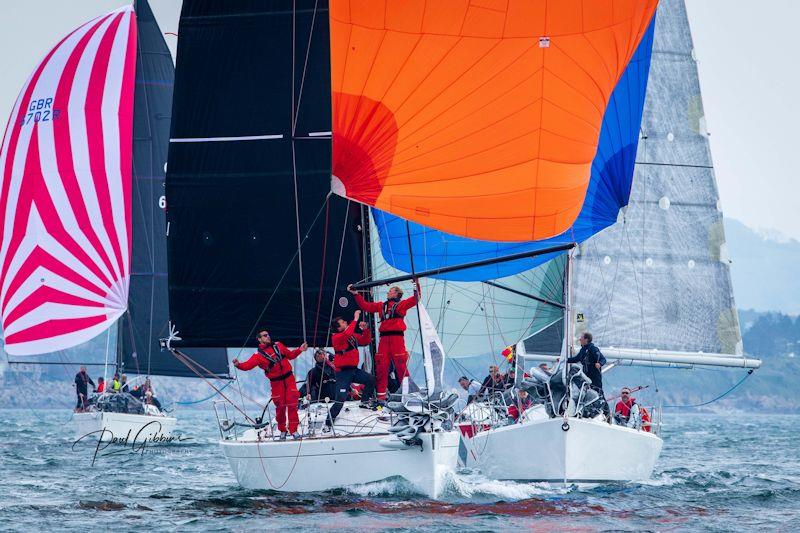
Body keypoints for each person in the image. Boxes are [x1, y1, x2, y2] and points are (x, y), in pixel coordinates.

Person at [348, 280, 420, 402]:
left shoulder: (401, 305)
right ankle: (381, 397)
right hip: (384, 340)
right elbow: (366, 306)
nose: (388, 292)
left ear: (396, 294)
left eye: (390, 291)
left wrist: (416, 284)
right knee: (381, 368)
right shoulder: (381, 306)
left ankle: (409, 395)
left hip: (397, 339)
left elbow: (416, 299)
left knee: (401, 367)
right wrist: (356, 294)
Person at [233, 329, 307, 440]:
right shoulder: (257, 356)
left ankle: (294, 430)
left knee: (292, 405)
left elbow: (291, 355)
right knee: (280, 407)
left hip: (289, 379)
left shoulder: (279, 345)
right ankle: (282, 431)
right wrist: (238, 365)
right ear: (259, 339)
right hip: (276, 383)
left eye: (268, 335)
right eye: (264, 335)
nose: (268, 337)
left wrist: (300, 350)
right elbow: (247, 366)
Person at [326, 310, 376, 430]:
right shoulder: (337, 337)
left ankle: (364, 402)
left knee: (371, 380)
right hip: (343, 373)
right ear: (338, 328)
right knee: (341, 399)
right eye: (342, 322)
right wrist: (355, 319)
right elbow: (346, 334)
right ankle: (328, 422)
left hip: (354, 370)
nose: (345, 323)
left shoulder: (351, 335)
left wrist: (365, 330)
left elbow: (365, 340)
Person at [567, 332, 610, 419]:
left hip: (594, 376)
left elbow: (603, 359)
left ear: (586, 339)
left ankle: (607, 413)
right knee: (585, 392)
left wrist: (600, 364)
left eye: (581, 338)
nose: (580, 339)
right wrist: (565, 360)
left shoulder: (593, 349)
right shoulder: (583, 350)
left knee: (599, 393)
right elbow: (576, 359)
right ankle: (584, 410)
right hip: (586, 377)